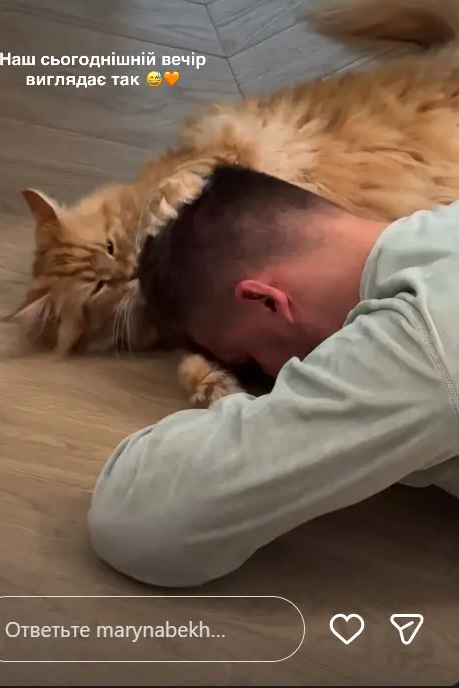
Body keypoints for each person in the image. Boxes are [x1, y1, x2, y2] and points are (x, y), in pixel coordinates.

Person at [88, 165, 459, 587]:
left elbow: (138, 522)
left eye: (247, 358)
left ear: (266, 301)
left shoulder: (421, 345)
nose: (266, 375)